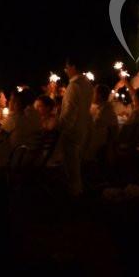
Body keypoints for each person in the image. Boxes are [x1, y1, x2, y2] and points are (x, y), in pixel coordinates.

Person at [59, 55, 94, 197]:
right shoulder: (87, 84)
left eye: (67, 67)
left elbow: (69, 113)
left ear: (73, 67)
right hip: (83, 128)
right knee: (76, 166)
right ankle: (77, 193)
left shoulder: (74, 86)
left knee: (71, 168)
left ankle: (74, 197)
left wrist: (59, 130)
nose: (66, 70)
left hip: (71, 133)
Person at [85, 84, 119, 161]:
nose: (92, 95)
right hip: (103, 142)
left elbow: (94, 126)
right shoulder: (103, 107)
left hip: (100, 145)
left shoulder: (105, 110)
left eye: (94, 93)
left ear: (99, 95)